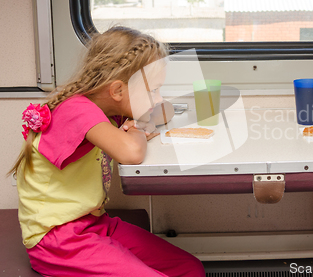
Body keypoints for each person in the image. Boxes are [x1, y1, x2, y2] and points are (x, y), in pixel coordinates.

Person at [8, 26, 205, 277]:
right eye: (152, 90)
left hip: (94, 224)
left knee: (189, 268)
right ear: (118, 91)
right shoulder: (76, 110)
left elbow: (163, 110)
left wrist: (147, 112)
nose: (158, 97)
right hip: (58, 240)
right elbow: (132, 153)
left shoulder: (110, 107)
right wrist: (138, 130)